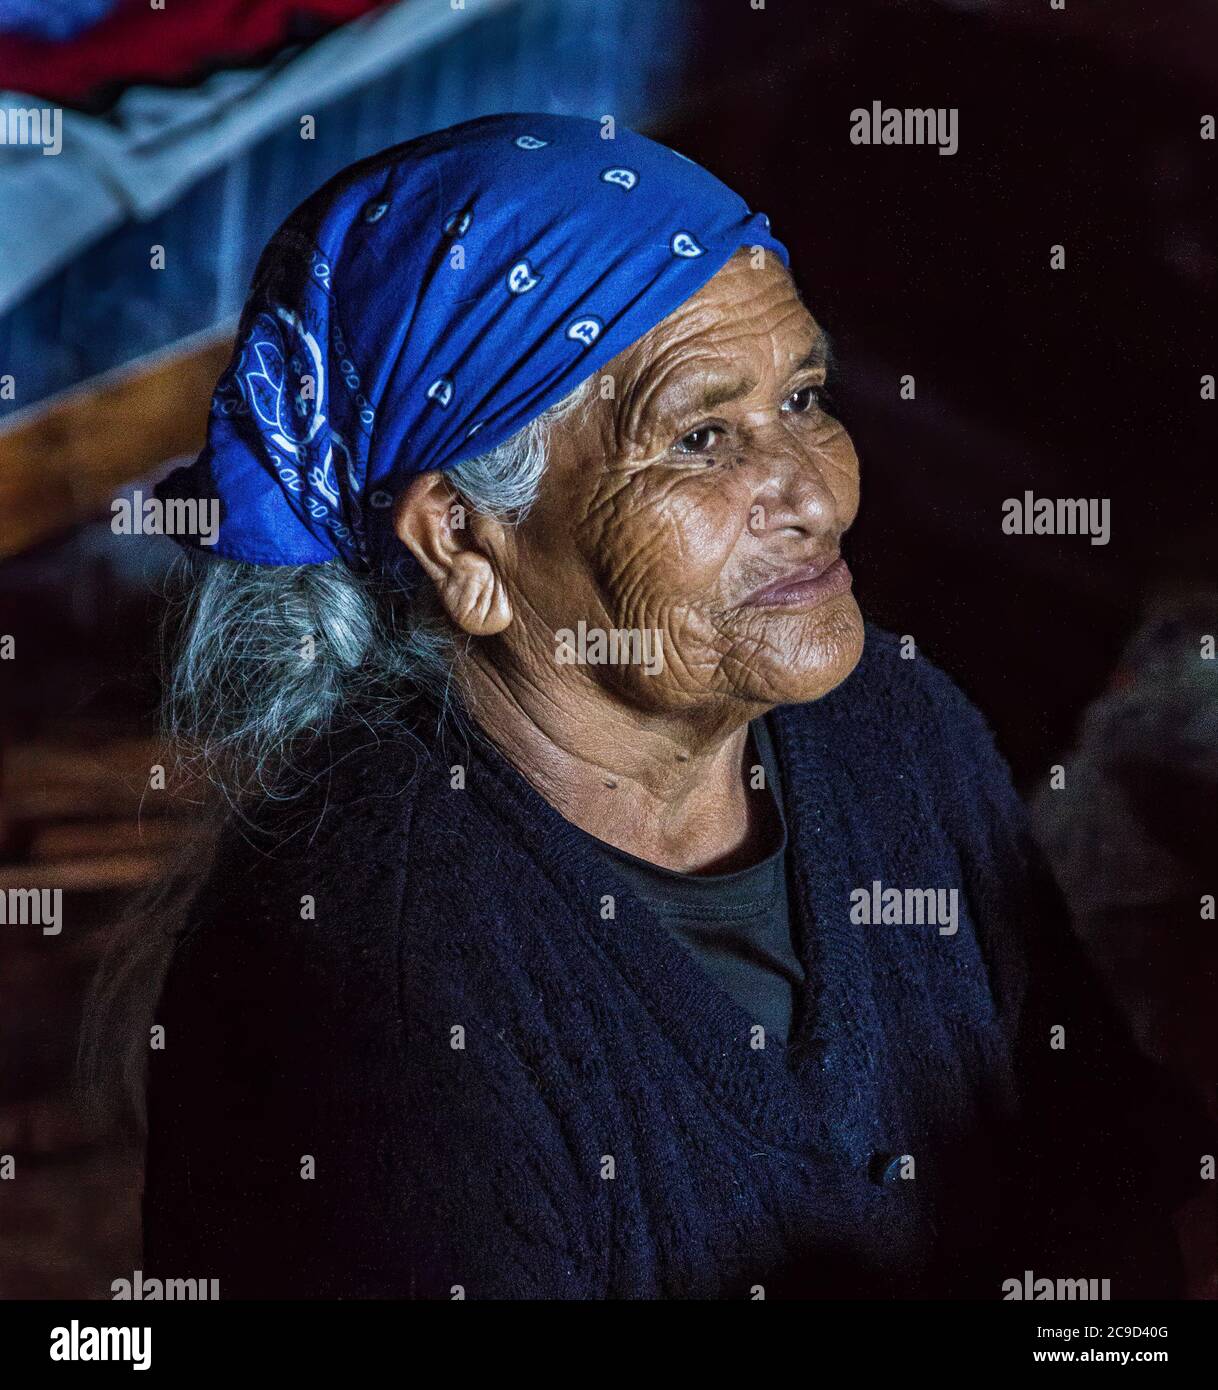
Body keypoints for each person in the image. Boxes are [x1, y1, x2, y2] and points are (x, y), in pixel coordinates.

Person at [133, 113, 1198, 1299]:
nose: (812, 494)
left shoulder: (894, 730)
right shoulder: (381, 980)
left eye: (802, 400)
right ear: (465, 542)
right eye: (700, 438)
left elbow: (1105, 1211)